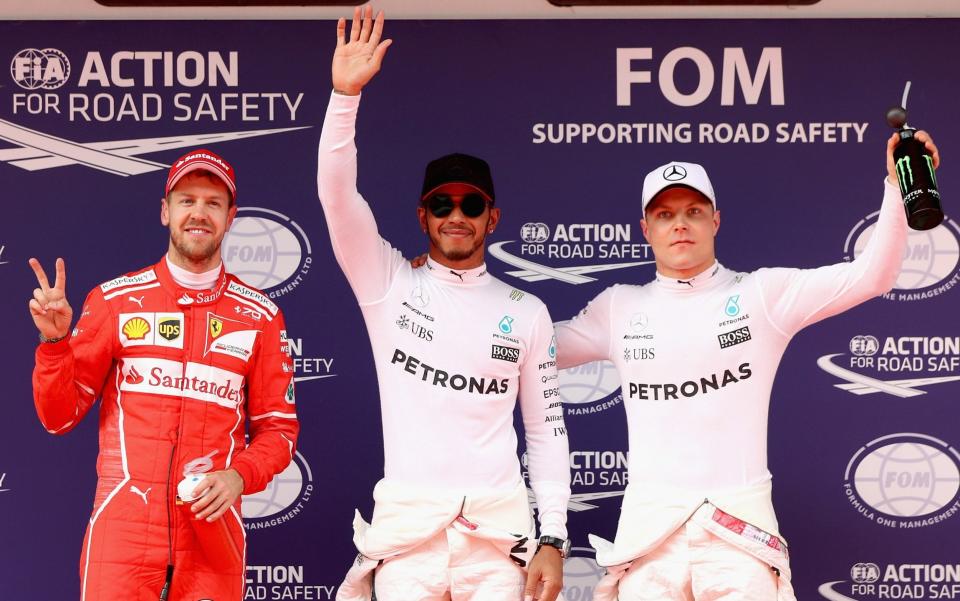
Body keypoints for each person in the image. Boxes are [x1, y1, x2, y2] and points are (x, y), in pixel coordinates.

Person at [554, 132, 939, 601]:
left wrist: (898, 188)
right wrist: (448, 293)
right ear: (645, 229)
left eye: (694, 212)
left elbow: (872, 275)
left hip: (740, 543)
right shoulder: (618, 307)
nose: (680, 225)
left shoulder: (760, 296)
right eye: (665, 214)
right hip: (648, 543)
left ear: (715, 221)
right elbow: (531, 351)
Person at [317, 8, 571, 601]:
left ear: (493, 218)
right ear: (422, 216)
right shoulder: (387, 283)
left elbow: (546, 431)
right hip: (410, 540)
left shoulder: (526, 310)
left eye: (471, 205)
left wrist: (553, 539)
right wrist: (343, 96)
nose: (457, 215)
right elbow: (336, 196)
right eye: (442, 204)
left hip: (498, 543)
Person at [29, 148, 300, 601]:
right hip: (124, 533)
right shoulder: (115, 300)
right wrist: (55, 346)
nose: (199, 213)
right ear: (165, 211)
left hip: (212, 533)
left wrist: (239, 476)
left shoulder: (261, 316)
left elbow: (279, 429)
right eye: (186, 200)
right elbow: (57, 417)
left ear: (231, 217)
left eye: (213, 203)